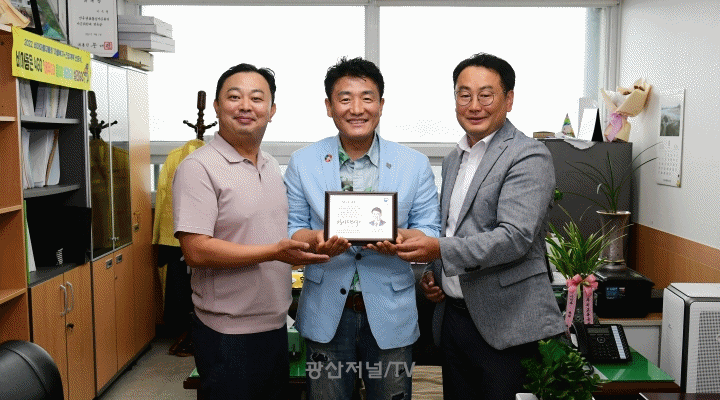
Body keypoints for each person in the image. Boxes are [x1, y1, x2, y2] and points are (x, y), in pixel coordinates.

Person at [395, 53, 566, 400]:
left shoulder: (528, 155)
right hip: (455, 320)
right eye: (464, 95)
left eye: (486, 95)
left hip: (507, 323)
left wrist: (438, 249)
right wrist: (435, 272)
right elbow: (453, 228)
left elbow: (514, 237)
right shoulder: (455, 157)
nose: (474, 105)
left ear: (509, 99)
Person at [284, 56, 441, 400]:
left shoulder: (414, 164)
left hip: (391, 313)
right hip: (325, 312)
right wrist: (316, 240)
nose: (356, 109)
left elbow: (430, 229)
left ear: (381, 105)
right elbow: (293, 227)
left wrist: (401, 239)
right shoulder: (303, 162)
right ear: (329, 106)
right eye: (345, 99)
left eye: (367, 98)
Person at [172, 63, 329, 400]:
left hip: (275, 324)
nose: (246, 106)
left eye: (257, 99)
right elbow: (196, 250)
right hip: (227, 332)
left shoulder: (270, 165)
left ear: (272, 111)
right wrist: (274, 253)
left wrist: (313, 243)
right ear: (217, 107)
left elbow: (274, 233)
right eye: (234, 97)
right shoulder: (198, 168)